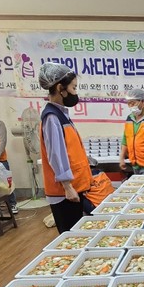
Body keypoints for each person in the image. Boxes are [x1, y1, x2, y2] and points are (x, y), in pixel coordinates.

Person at [38, 62, 93, 233]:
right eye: (73, 88)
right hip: (64, 192)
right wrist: (67, 187)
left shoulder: (61, 115)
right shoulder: (52, 117)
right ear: (60, 88)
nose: (75, 92)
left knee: (78, 234)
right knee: (71, 236)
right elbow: (56, 155)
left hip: (72, 188)